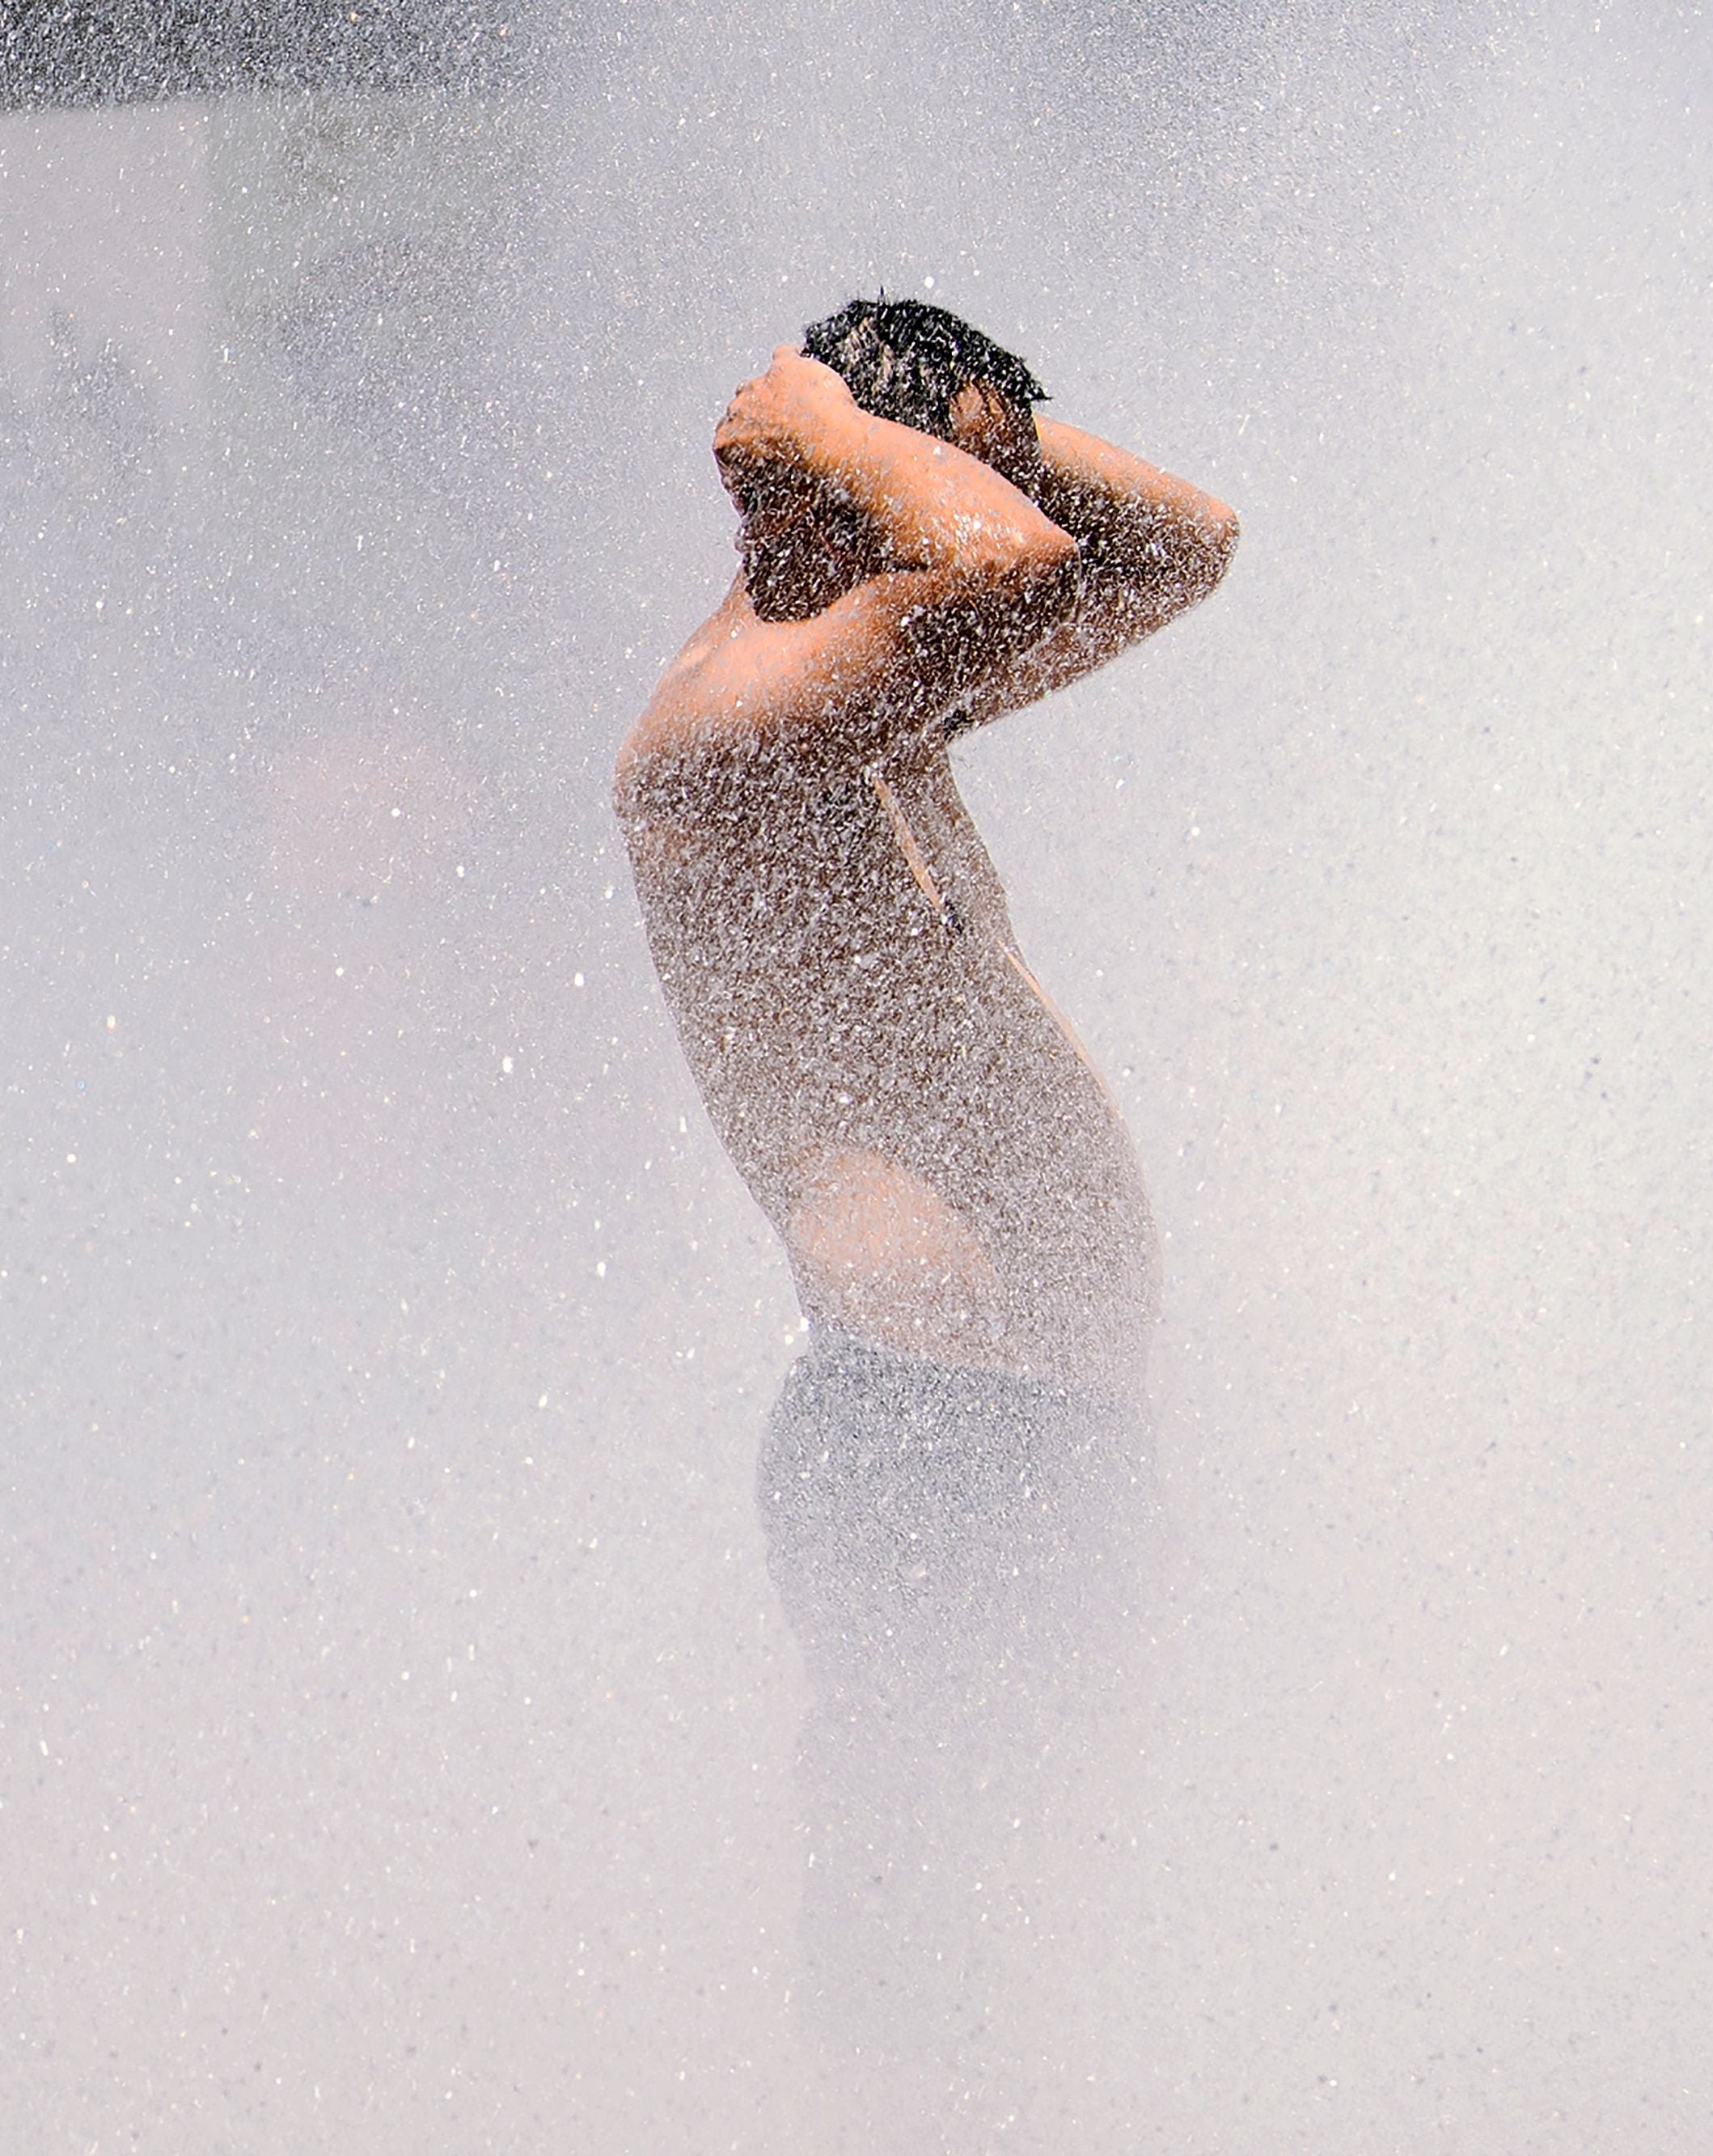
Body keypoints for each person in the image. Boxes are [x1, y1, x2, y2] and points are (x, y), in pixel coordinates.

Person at [613, 299, 1236, 2123]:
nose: (973, 500)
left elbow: (1180, 545)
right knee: (928, 1979)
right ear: (817, 503)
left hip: (1041, 1432)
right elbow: (1013, 560)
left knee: (1073, 1933)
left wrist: (973, 438)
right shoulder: (729, 719)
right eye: (929, 472)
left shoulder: (881, 704)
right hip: (921, 1434)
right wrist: (822, 433)